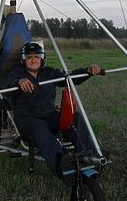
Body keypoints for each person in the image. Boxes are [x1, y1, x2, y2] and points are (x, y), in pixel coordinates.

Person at [6, 42, 101, 182]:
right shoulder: (16, 74)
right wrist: (19, 83)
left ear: (42, 59)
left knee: (75, 118)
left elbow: (69, 78)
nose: (33, 60)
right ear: (23, 60)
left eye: (36, 57)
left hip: (50, 115)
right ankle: (63, 164)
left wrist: (87, 71)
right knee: (42, 133)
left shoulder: (49, 72)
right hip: (28, 119)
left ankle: (91, 156)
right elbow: (9, 86)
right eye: (29, 57)